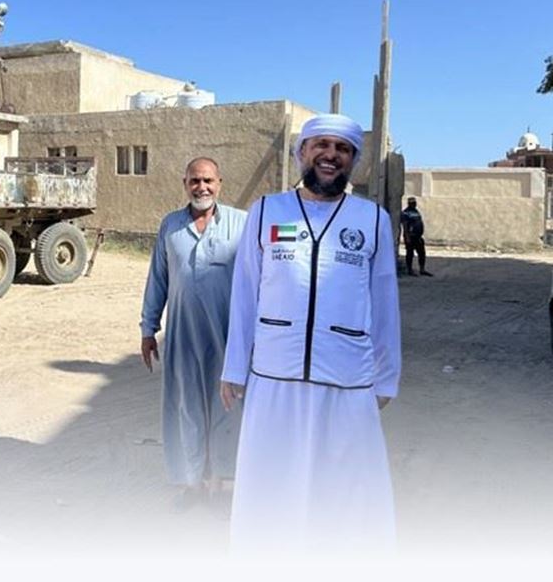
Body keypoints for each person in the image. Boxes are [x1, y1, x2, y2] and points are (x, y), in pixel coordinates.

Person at [219, 113, 402, 551]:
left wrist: (387, 374)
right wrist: (234, 367)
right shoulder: (267, 211)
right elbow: (245, 293)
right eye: (320, 145)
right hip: (274, 375)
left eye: (342, 149)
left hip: (347, 379)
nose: (330, 155)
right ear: (302, 152)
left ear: (353, 161)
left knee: (345, 489)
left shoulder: (372, 219)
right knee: (271, 481)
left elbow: (385, 301)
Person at [140, 157, 247, 509]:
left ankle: (222, 485)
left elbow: (259, 282)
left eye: (208, 181)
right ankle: (193, 483)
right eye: (194, 181)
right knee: (185, 408)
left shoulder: (241, 224)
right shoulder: (170, 226)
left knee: (226, 407)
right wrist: (148, 328)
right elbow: (158, 279)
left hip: (228, 337)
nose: (202, 187)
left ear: (220, 183)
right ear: (184, 183)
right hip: (183, 337)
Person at [401, 196, 432, 276]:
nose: (414, 204)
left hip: (418, 236)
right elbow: (405, 225)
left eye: (415, 203)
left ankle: (422, 269)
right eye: (412, 203)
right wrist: (407, 237)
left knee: (421, 252)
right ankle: (409, 270)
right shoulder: (406, 212)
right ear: (409, 204)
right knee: (410, 253)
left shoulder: (416, 211)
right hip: (411, 236)